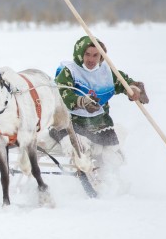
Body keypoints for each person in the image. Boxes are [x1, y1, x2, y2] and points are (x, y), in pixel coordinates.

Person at [55, 35, 149, 174]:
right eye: (87, 54)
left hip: (100, 123)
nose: (91, 59)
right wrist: (81, 101)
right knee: (79, 145)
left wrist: (133, 89)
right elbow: (63, 92)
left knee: (108, 150)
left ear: (101, 56)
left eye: (95, 55)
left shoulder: (107, 72)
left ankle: (108, 179)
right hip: (72, 122)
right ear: (80, 54)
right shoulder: (69, 71)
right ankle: (82, 166)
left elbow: (124, 82)